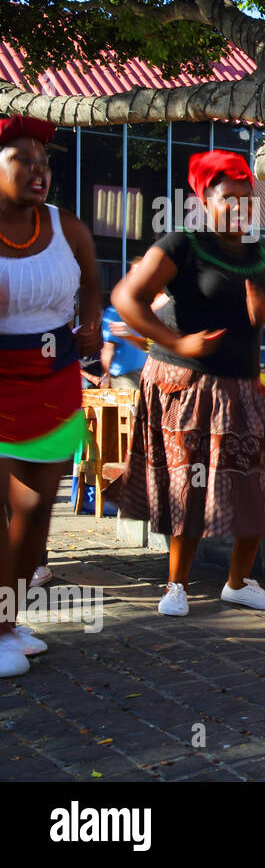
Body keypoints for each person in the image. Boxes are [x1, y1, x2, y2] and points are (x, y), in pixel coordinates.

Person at [112, 150, 265, 617]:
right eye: (228, 200)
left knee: (256, 486)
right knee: (189, 485)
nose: (240, 209)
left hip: (243, 387)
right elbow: (127, 297)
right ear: (204, 200)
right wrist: (175, 343)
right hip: (189, 386)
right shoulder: (182, 244)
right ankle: (175, 584)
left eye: (248, 201)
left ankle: (238, 583)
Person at [0, 116, 101, 676]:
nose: (38, 171)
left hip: (55, 382)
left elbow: (91, 282)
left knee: (35, 513)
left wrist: (89, 326)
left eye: (45, 162)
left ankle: (8, 621)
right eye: (23, 160)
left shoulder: (66, 225)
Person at [99, 302, 148, 389]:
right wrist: (106, 377)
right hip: (124, 377)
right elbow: (108, 349)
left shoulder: (142, 309)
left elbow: (147, 344)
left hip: (143, 372)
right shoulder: (114, 312)